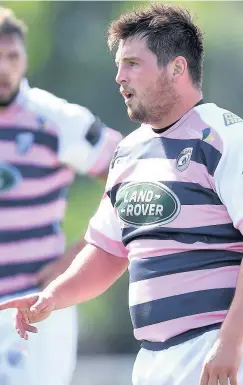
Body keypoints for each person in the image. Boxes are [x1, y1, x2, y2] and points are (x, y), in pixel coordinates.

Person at [0, 4, 243, 385]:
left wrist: (231, 338)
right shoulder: (130, 152)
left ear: (177, 67)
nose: (120, 77)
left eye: (133, 64)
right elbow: (107, 251)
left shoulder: (232, 139)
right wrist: (52, 298)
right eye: (119, 65)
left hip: (218, 347)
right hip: (154, 357)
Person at [0, 7, 122, 385]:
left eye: (13, 57)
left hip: (34, 305)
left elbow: (129, 177)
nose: (4, 68)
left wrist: (78, 256)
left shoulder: (56, 120)